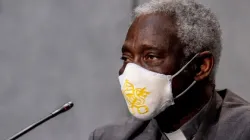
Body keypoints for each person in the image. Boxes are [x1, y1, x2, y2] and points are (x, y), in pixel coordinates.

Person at [89, 0, 250, 139]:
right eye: (126, 58)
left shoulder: (242, 130)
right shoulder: (109, 137)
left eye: (150, 56)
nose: (130, 71)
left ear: (201, 66)